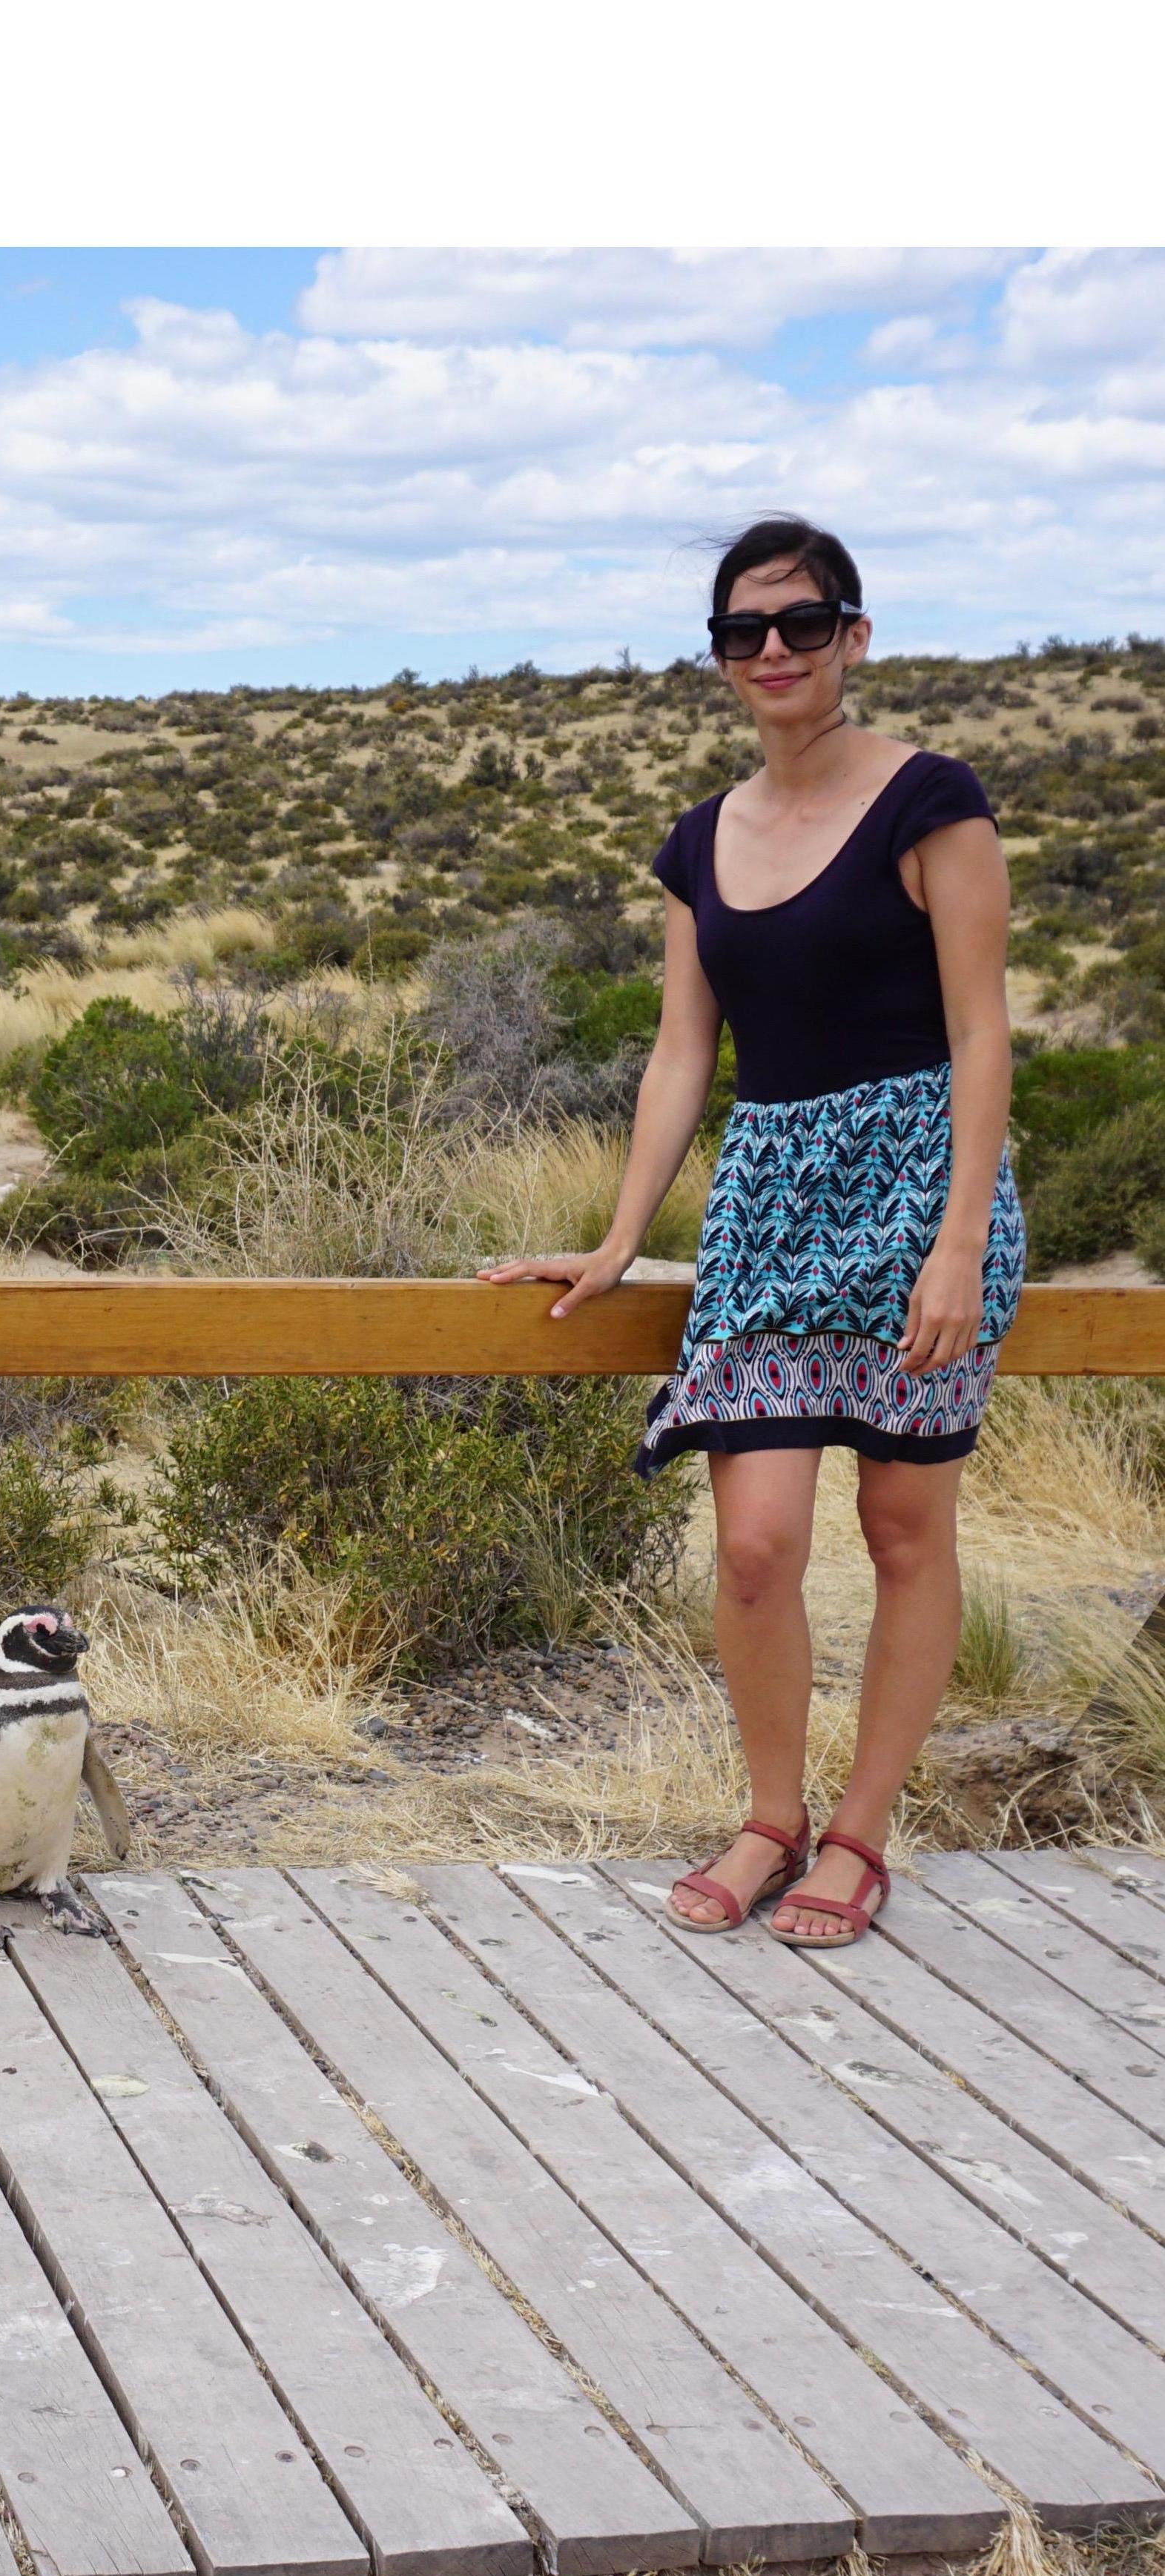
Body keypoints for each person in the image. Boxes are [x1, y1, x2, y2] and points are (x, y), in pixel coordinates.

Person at [481, 514, 1020, 1949]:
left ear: (853, 636)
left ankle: (859, 1835)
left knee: (901, 1528)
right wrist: (617, 1238)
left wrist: (960, 1241)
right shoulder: (697, 841)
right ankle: (769, 1816)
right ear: (720, 655)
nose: (772, 649)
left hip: (917, 1193)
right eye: (742, 630)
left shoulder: (931, 800)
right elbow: (681, 1054)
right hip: (767, 1206)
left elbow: (981, 1032)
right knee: (755, 1546)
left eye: (801, 623)